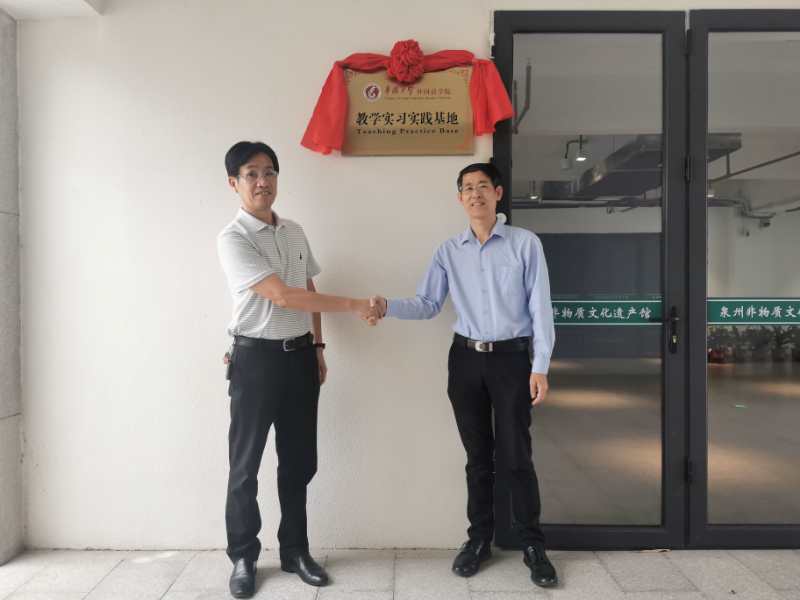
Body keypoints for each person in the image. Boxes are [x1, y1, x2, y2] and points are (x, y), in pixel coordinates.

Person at [370, 162, 558, 587]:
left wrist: (540, 366)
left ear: (498, 193)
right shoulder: (448, 251)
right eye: (467, 188)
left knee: (517, 456)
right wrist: (387, 306)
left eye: (482, 186)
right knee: (477, 458)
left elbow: (540, 308)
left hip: (512, 361)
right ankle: (478, 541)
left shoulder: (525, 244)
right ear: (460, 198)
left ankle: (533, 545)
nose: (475, 194)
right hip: (466, 362)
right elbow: (427, 303)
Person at [217, 141, 379, 599]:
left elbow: (307, 285)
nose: (262, 182)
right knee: (245, 466)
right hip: (255, 361)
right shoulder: (233, 237)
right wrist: (356, 305)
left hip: (300, 359)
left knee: (299, 463)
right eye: (251, 174)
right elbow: (283, 296)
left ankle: (295, 551)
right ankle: (244, 557)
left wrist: (319, 347)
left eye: (269, 172)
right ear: (234, 183)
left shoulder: (293, 231)